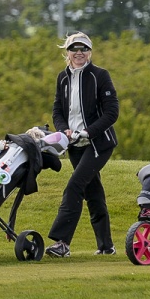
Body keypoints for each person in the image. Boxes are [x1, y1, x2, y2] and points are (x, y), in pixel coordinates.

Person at [45, 32, 120, 258]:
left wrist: (88, 132)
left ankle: (62, 243)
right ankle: (106, 246)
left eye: (83, 48)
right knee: (93, 192)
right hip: (75, 145)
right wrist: (63, 130)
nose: (79, 52)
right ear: (67, 53)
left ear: (90, 52)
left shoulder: (100, 76)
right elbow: (58, 110)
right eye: (74, 49)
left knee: (74, 186)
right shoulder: (63, 78)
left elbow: (111, 112)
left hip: (99, 143)